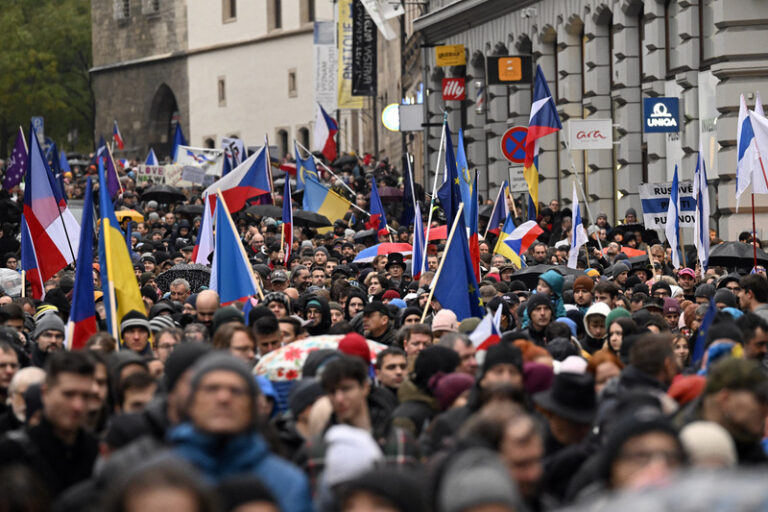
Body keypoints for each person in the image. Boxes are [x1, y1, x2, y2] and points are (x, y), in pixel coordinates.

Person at [168, 352, 312, 511]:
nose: (223, 398)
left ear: (252, 406)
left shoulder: (288, 482)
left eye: (236, 391)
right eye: (212, 389)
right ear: (192, 402)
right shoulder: (160, 477)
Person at [0, 351, 98, 498]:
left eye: (85, 396)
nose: (78, 406)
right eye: (68, 394)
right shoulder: (12, 453)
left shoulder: (98, 452)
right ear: (45, 393)